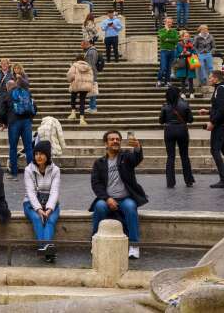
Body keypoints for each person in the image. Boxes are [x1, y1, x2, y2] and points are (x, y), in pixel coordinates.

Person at [90, 130, 147, 259]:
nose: (115, 141)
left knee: (131, 207)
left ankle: (134, 245)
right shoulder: (99, 163)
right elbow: (96, 184)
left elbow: (137, 158)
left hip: (125, 198)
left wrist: (137, 147)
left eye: (118, 139)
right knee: (99, 207)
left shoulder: (126, 157)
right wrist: (107, 198)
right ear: (106, 143)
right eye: (112, 139)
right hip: (106, 199)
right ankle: (95, 242)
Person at [23, 142, 61, 262]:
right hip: (31, 204)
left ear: (48, 155)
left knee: (51, 220)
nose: (39, 157)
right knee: (37, 218)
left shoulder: (55, 170)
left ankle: (44, 249)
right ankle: (46, 249)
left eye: (42, 154)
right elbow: (30, 192)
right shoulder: (28, 170)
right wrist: (39, 209)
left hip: (51, 203)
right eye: (36, 154)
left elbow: (55, 191)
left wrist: (49, 209)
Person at [0, 79, 36, 180]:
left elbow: (1, 112)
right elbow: (34, 108)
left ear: (7, 86)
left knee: (13, 148)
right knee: (28, 148)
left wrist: (5, 123)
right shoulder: (26, 92)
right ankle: (31, 173)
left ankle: (14, 174)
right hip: (26, 122)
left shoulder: (6, 95)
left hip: (14, 123)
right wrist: (30, 119)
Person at [204, 70, 224, 189]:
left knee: (215, 150)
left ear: (216, 78)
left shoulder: (220, 89)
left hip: (220, 125)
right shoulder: (223, 88)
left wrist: (212, 122)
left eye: (211, 77)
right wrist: (208, 112)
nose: (209, 79)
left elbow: (222, 109)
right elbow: (221, 108)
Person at [159, 85, 195, 188]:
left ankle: (170, 182)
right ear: (179, 94)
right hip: (182, 131)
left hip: (169, 131)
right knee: (184, 156)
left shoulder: (165, 105)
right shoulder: (184, 104)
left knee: (170, 157)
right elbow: (191, 119)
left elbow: (161, 121)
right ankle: (188, 181)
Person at [67, 52, 96, 125]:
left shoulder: (74, 66)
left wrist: (73, 79)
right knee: (82, 102)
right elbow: (91, 76)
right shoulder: (88, 66)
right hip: (85, 86)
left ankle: (73, 113)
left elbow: (70, 75)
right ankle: (82, 119)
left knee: (73, 98)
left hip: (76, 85)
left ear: (76, 59)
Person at [156, 17, 179, 88]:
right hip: (164, 51)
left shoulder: (174, 31)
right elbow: (163, 38)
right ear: (165, 23)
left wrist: (168, 39)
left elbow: (176, 40)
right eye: (168, 22)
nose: (169, 23)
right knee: (163, 67)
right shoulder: (161, 30)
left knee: (169, 67)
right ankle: (159, 80)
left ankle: (167, 81)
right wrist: (167, 31)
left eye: (170, 22)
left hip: (172, 51)